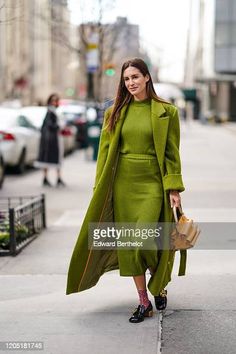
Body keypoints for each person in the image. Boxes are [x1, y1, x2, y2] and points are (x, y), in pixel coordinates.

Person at [66, 58, 186, 323]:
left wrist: (173, 187)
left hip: (153, 183)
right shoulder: (115, 113)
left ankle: (159, 285)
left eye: (135, 77)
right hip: (123, 185)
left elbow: (171, 154)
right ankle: (144, 301)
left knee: (148, 242)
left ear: (146, 78)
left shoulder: (167, 112)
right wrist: (100, 187)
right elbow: (104, 154)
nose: (130, 83)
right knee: (131, 245)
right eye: (126, 79)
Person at [36, 93, 65, 187]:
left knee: (52, 159)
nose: (55, 102)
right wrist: (59, 127)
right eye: (53, 100)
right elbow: (50, 125)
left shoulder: (53, 111)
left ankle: (56, 178)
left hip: (52, 139)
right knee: (51, 159)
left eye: (56, 100)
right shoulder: (50, 111)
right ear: (49, 102)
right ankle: (51, 178)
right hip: (51, 140)